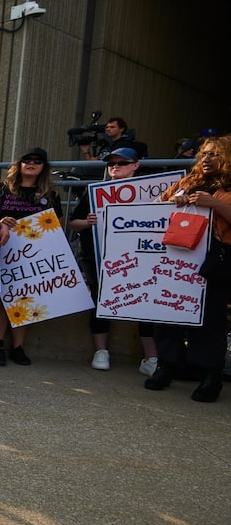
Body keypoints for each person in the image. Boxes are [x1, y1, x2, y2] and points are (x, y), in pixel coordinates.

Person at [145, 136, 231, 402]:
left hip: (214, 261)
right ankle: (166, 366)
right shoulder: (185, 183)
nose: (206, 159)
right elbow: (154, 211)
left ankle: (210, 376)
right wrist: (173, 204)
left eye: (215, 154)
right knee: (168, 311)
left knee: (210, 319)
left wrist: (215, 204)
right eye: (204, 154)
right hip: (175, 261)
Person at [67, 147, 158, 373]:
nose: (115, 167)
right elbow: (73, 223)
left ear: (136, 165)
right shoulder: (94, 191)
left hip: (140, 258)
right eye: (111, 164)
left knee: (146, 302)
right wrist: (87, 222)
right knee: (100, 299)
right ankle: (101, 351)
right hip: (97, 256)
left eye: (122, 163)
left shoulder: (152, 192)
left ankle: (151, 357)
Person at [0, 147, 63, 367]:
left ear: (44, 167)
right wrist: (1, 221)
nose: (32, 163)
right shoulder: (0, 189)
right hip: (2, 250)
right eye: (27, 160)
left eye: (38, 161)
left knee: (25, 300)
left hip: (33, 255)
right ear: (18, 164)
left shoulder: (50, 194)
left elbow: (56, 224)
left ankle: (18, 347)